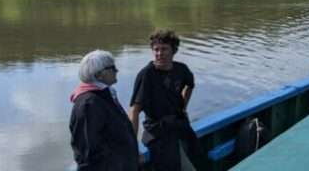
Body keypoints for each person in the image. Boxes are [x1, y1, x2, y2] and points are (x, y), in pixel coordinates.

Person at [130, 29, 207, 171]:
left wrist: (183, 107)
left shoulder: (181, 69)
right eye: (156, 50)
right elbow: (134, 111)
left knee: (199, 160)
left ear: (174, 51)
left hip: (180, 126)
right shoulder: (146, 75)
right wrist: (133, 147)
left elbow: (189, 86)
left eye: (164, 49)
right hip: (158, 133)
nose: (159, 54)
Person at [69, 50, 138, 171]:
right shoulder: (89, 104)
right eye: (112, 67)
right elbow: (87, 152)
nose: (117, 71)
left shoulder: (103, 95)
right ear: (99, 75)